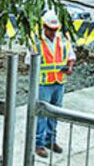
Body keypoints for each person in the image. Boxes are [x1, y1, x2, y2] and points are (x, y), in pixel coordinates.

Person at [28, 11, 75, 158]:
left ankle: (50, 140)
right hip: (44, 84)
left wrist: (70, 67)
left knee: (55, 113)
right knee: (41, 114)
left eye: (55, 29)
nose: (53, 32)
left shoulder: (63, 40)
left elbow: (71, 56)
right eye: (50, 29)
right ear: (44, 27)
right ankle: (38, 144)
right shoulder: (36, 42)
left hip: (59, 82)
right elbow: (29, 63)